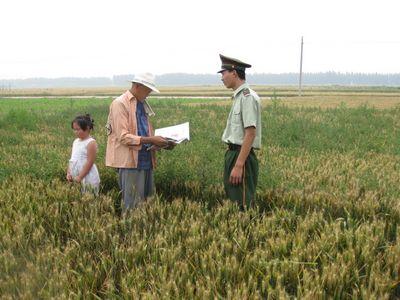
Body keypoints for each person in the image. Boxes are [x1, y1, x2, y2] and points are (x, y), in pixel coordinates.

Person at [105, 73, 172, 211]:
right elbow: (123, 137)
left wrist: (160, 143)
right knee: (132, 206)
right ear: (137, 86)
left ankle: (143, 232)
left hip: (146, 160)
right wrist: (151, 139)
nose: (149, 93)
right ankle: (130, 232)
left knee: (147, 204)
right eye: (147, 89)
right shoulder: (120, 104)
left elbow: (144, 130)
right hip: (130, 163)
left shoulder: (141, 104)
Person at [218, 54, 262, 209]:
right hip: (234, 154)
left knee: (242, 205)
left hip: (241, 156)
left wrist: (238, 165)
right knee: (233, 201)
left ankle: (246, 233)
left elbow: (250, 133)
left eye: (223, 73)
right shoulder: (238, 97)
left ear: (234, 73)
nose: (222, 77)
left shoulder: (247, 97)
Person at [67, 114, 100, 195]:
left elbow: (90, 162)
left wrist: (80, 177)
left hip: (87, 176)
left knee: (89, 198)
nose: (75, 132)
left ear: (87, 128)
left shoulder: (91, 143)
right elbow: (72, 159)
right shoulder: (75, 141)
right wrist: (68, 172)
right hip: (75, 176)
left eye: (78, 129)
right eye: (74, 129)